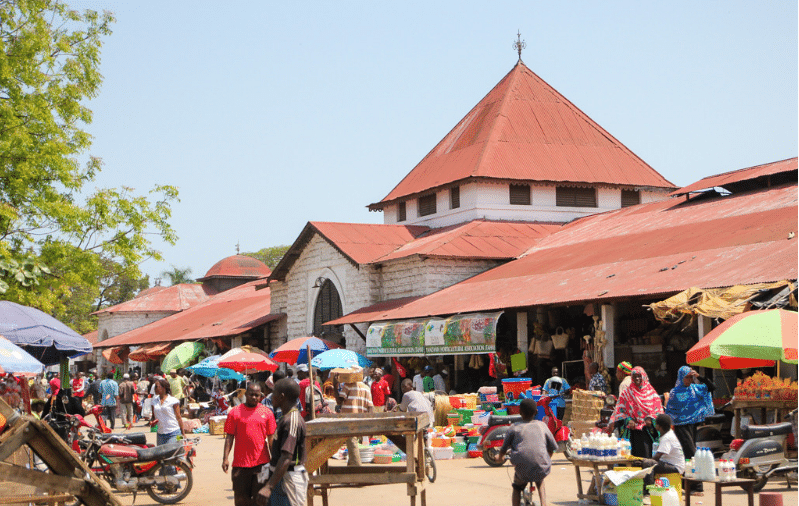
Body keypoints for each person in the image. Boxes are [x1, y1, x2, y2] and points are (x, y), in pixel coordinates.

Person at [222, 382, 277, 506]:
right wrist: (225, 458)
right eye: (251, 394)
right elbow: (229, 437)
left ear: (261, 396)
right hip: (240, 466)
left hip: (261, 464)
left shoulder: (267, 413)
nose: (254, 397)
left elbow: (271, 439)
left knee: (261, 499)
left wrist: (274, 459)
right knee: (241, 500)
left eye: (257, 395)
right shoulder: (234, 413)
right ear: (246, 394)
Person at [495, 398, 557, 506]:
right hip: (541, 465)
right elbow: (552, 447)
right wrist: (544, 459)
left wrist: (499, 458)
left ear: (519, 412)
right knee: (540, 482)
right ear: (536, 412)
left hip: (522, 467)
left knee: (517, 487)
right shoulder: (542, 425)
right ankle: (544, 503)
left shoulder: (513, 428)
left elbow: (503, 449)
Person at [256, 378, 308, 506]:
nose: (271, 397)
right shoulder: (285, 418)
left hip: (289, 478)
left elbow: (286, 457)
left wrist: (269, 487)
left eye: (274, 393)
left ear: (281, 397)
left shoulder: (292, 420)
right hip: (280, 477)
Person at [665, 366, 715, 491]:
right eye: (686, 377)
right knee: (688, 454)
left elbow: (711, 387)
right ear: (681, 377)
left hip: (692, 425)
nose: (689, 380)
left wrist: (699, 377)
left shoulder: (696, 389)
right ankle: (692, 485)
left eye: (690, 377)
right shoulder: (674, 392)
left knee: (690, 454)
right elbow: (670, 410)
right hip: (680, 426)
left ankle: (693, 485)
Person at [608, 367, 663, 458]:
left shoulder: (651, 392)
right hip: (632, 431)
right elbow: (619, 410)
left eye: (639, 376)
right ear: (631, 378)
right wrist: (628, 420)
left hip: (647, 430)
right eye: (634, 376)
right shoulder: (627, 393)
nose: (637, 378)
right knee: (633, 457)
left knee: (647, 456)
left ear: (644, 377)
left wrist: (650, 418)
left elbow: (658, 409)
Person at [631, 414, 685, 492]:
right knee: (648, 463)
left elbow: (657, 457)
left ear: (659, 426)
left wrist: (644, 461)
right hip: (672, 464)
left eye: (655, 423)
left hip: (675, 467)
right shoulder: (668, 434)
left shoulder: (667, 437)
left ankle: (648, 491)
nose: (654, 425)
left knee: (649, 464)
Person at [339, 372, 373, 466]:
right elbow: (370, 407)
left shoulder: (348, 386)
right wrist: (370, 422)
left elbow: (339, 401)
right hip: (361, 420)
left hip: (349, 420)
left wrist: (334, 384)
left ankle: (357, 468)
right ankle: (351, 469)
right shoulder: (366, 388)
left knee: (352, 442)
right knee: (353, 443)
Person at [150, 378, 185, 445]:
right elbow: (153, 417)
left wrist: (183, 433)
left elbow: (178, 417)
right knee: (162, 454)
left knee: (173, 452)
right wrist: (152, 422)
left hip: (174, 432)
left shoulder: (173, 400)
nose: (155, 389)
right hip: (160, 434)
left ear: (164, 387)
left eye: (157, 387)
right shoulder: (154, 402)